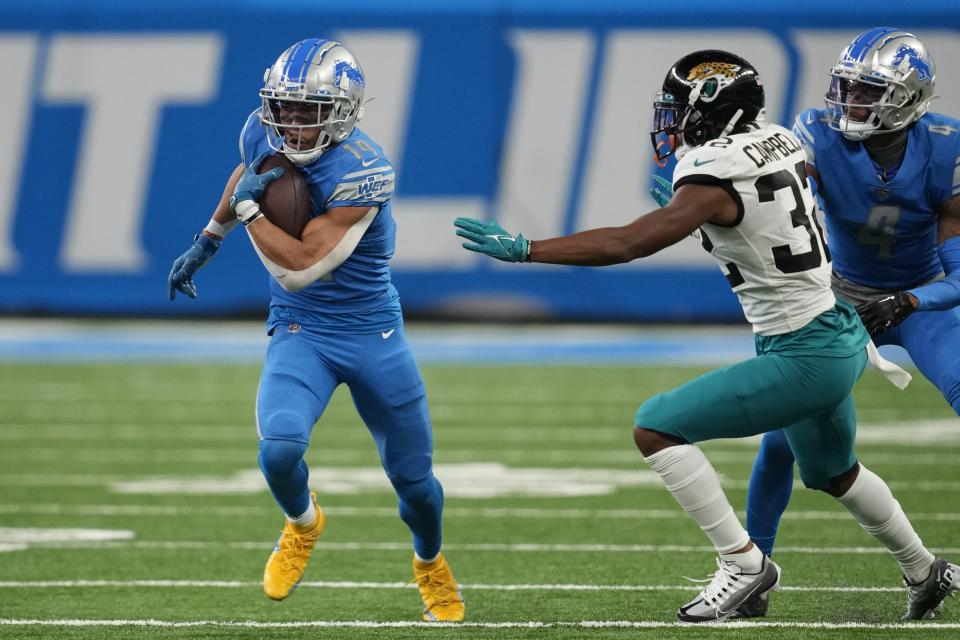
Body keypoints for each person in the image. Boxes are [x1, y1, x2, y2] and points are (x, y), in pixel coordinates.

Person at [454, 49, 959, 623]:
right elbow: (749, 221)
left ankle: (744, 564)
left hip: (805, 351)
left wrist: (528, 250)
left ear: (709, 108)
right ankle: (924, 568)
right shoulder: (779, 139)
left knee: (656, 426)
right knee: (832, 472)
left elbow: (630, 243)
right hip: (835, 330)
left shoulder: (717, 170)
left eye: (676, 109)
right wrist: (686, 205)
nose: (669, 122)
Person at [166, 38, 464, 622]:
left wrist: (249, 215)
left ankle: (430, 562)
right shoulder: (262, 129)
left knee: (415, 483)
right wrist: (208, 239)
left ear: (345, 108)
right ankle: (303, 523)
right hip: (303, 330)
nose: (293, 123)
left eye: (309, 110)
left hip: (372, 333)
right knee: (278, 451)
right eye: (285, 107)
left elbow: (301, 267)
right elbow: (247, 173)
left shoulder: (363, 169)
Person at [727, 28, 960, 619]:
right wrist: (700, 206)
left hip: (919, 294)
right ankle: (754, 574)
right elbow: (769, 208)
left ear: (908, 99)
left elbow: (959, 276)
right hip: (835, 300)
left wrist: (909, 302)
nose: (848, 103)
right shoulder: (815, 133)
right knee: (781, 438)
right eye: (847, 88)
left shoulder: (946, 148)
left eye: (867, 92)